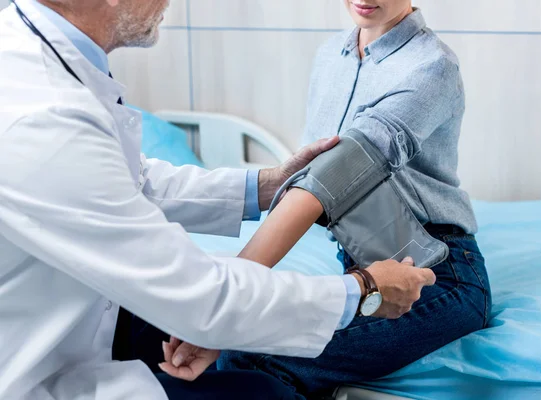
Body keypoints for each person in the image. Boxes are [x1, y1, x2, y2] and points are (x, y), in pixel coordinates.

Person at [0, 0, 438, 399]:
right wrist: (363, 291)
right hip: (34, 369)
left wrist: (269, 184)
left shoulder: (44, 59)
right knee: (265, 389)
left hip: (81, 311)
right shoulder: (44, 115)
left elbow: (124, 183)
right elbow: (203, 298)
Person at [163, 1, 492, 398]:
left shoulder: (430, 66)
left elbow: (333, 178)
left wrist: (231, 299)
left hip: (437, 271)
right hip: (360, 264)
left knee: (252, 357)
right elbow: (312, 177)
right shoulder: (330, 56)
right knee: (237, 348)